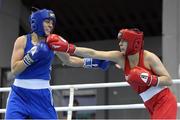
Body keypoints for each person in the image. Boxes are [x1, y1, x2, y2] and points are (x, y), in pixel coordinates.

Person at [46, 28, 177, 119]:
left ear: (133, 42)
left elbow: (168, 80)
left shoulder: (149, 57)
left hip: (164, 101)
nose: (120, 44)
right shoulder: (120, 57)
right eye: (120, 41)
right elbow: (93, 53)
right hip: (149, 103)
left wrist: (150, 79)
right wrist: (69, 48)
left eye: (123, 41)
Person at [5, 9, 110, 119]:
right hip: (19, 95)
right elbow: (15, 70)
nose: (50, 25)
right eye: (47, 21)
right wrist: (31, 57)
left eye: (52, 23)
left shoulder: (53, 42)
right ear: (36, 22)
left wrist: (94, 62)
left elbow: (69, 60)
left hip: (41, 95)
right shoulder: (22, 41)